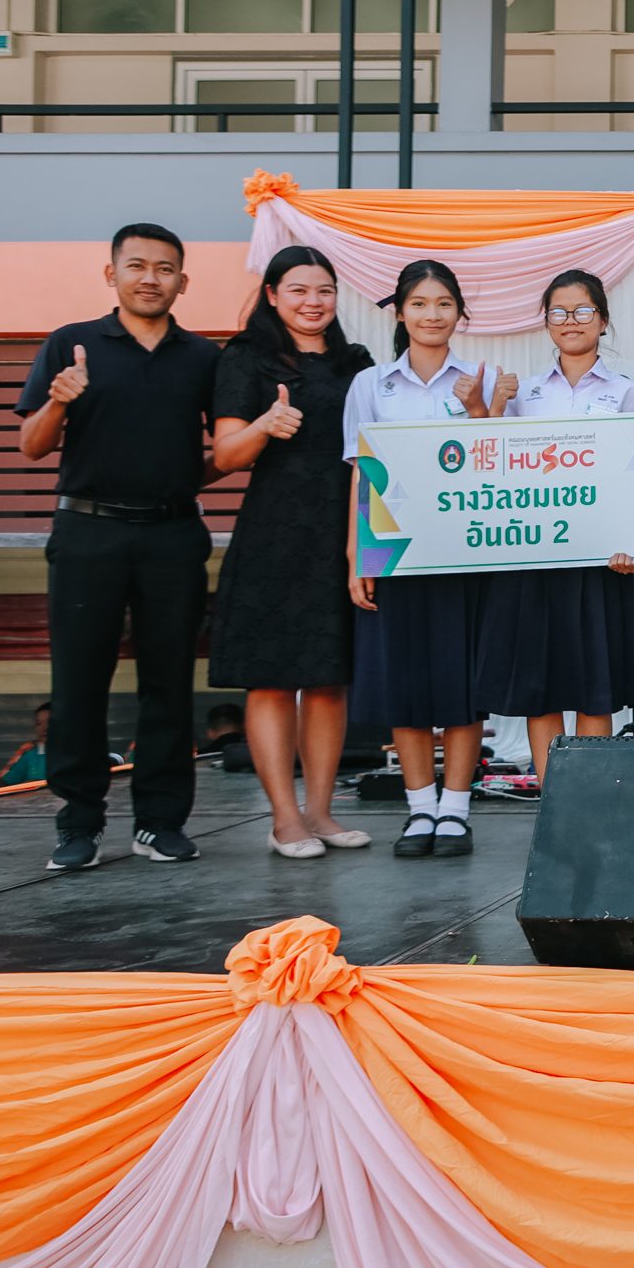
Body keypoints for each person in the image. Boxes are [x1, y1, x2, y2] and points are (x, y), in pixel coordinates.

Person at [16, 222, 221, 871]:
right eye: (137, 266)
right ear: (112, 274)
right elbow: (32, 445)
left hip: (172, 535)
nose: (150, 278)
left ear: (182, 281)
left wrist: (178, 478)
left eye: (164, 268)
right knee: (79, 681)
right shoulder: (70, 344)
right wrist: (58, 402)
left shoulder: (203, 357)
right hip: (88, 532)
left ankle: (160, 822)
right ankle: (78, 823)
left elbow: (221, 451)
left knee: (169, 682)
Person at [207, 245, 375, 858]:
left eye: (324, 290)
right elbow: (226, 454)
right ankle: (284, 818)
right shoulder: (245, 357)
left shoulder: (357, 362)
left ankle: (321, 812)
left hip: (342, 529)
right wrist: (263, 426)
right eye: (299, 290)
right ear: (273, 295)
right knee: (273, 681)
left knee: (329, 680)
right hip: (274, 531)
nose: (313, 301)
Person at [344, 259, 506, 859]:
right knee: (404, 682)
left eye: (443, 304)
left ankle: (456, 809)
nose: (431, 315)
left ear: (460, 313)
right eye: (419, 303)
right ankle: (419, 809)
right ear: (399, 312)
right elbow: (362, 474)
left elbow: (503, 466)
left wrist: (479, 411)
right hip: (395, 553)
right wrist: (356, 554)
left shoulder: (484, 379)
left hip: (467, 553)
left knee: (463, 683)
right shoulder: (370, 385)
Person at [474, 271, 634, 780]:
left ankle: (588, 801)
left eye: (582, 311)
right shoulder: (523, 392)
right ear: (546, 322)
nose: (570, 321)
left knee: (595, 688)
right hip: (536, 557)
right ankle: (552, 798)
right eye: (558, 312)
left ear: (602, 320)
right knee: (542, 689)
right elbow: (492, 467)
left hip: (602, 561)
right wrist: (495, 408)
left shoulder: (628, 394)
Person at [0, 702, 49, 789]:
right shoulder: (31, 753)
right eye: (38, 723)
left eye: (50, 722)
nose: (44, 728)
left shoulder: (68, 755)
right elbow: (9, 780)